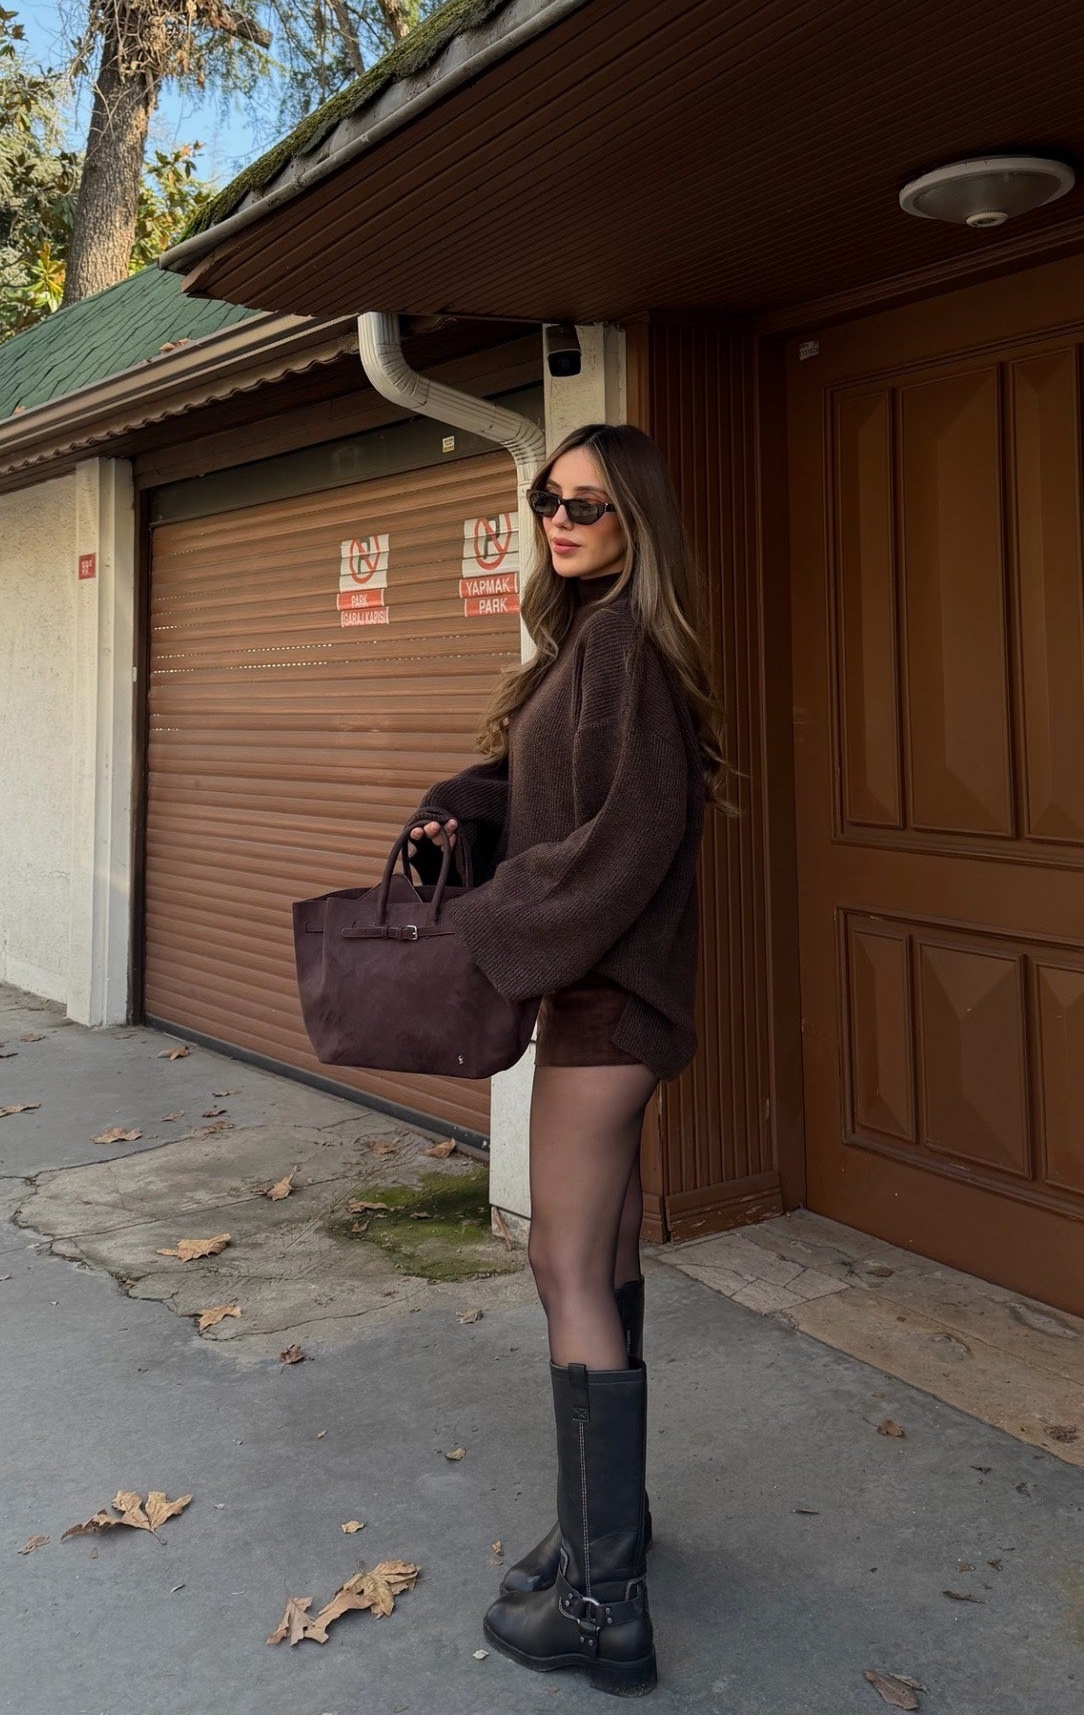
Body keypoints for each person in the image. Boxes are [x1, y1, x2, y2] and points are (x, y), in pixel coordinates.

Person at [404, 421, 736, 1696]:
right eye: (549, 497)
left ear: (634, 519)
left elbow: (621, 843)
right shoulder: (588, 642)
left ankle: (603, 1608)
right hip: (609, 996)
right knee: (606, 1256)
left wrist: (487, 919)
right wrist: (466, 804)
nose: (560, 518)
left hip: (608, 1001)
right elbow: (560, 798)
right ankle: (612, 1530)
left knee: (562, 1263)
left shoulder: (621, 650)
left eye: (587, 504)